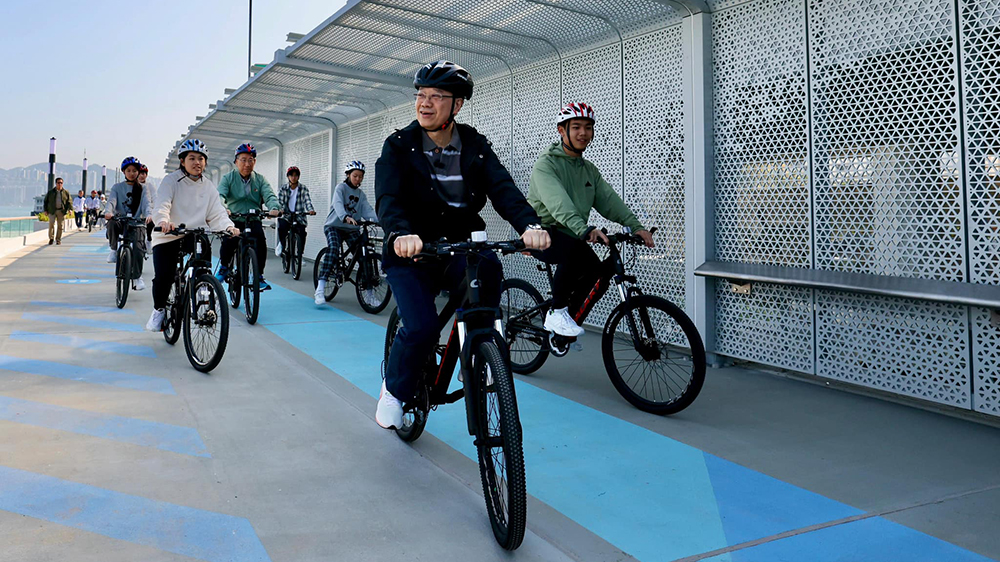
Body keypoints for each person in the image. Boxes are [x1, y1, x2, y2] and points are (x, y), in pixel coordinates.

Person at [373, 60, 550, 429]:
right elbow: (389, 198)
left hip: (460, 247)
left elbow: (503, 189)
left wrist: (529, 225)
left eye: (436, 96)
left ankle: (480, 353)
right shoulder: (398, 146)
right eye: (421, 94)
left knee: (488, 267)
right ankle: (394, 390)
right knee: (421, 328)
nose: (425, 103)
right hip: (412, 250)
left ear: (457, 105)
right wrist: (401, 233)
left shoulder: (474, 145)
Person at [527, 102, 655, 337]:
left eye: (588, 127)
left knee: (599, 274)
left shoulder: (589, 170)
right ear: (562, 131)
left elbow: (609, 201)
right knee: (572, 251)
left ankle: (567, 324)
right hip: (541, 233)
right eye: (576, 127)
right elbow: (558, 203)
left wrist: (635, 226)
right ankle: (557, 312)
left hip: (572, 232)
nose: (583, 133)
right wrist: (584, 229)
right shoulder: (546, 165)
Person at [146, 139, 239, 332]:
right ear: (182, 161)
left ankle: (203, 288)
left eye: (201, 159)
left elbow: (217, 213)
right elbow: (162, 205)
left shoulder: (208, 186)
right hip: (169, 234)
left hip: (194, 234)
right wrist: (163, 221)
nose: (197, 162)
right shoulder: (171, 181)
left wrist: (229, 227)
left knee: (203, 254)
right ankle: (159, 310)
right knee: (164, 276)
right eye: (192, 158)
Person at [216, 143, 280, 290]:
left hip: (253, 219)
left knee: (261, 243)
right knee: (228, 241)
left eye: (250, 160)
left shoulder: (260, 179)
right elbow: (219, 195)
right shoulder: (228, 178)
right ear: (236, 161)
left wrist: (274, 208)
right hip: (234, 219)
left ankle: (259, 276)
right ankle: (224, 267)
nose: (247, 164)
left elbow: (269, 195)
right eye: (243, 160)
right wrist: (223, 208)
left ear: (254, 162)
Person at [315, 161, 376, 305]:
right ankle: (320, 289)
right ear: (348, 175)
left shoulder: (361, 194)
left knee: (364, 256)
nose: (358, 179)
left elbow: (367, 210)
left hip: (351, 229)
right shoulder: (340, 188)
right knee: (333, 249)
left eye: (360, 177)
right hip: (334, 226)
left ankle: (369, 294)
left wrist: (382, 221)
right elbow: (337, 204)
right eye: (355, 176)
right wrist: (345, 216)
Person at [105, 156, 153, 291]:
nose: (132, 173)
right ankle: (113, 249)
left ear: (138, 172)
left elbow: (147, 204)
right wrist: (108, 212)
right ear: (124, 172)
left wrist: (149, 214)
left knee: (138, 248)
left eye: (134, 171)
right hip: (120, 221)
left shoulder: (143, 189)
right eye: (129, 170)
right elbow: (111, 202)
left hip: (137, 223)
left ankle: (137, 277)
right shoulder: (117, 187)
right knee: (111, 223)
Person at [275, 165, 316, 263]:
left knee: (302, 232)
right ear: (288, 177)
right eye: (291, 175)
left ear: (298, 177)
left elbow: (307, 201)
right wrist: (280, 210)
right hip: (286, 215)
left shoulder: (303, 188)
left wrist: (310, 210)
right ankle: (282, 244)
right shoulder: (283, 188)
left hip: (299, 216)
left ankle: (299, 255)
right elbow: (280, 202)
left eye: (296, 175)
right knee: (282, 226)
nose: (293, 177)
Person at [43, 178, 71, 245]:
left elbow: (69, 201)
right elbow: (46, 201)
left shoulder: (66, 192)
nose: (60, 184)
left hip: (61, 211)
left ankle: (58, 239)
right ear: (56, 183)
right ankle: (51, 238)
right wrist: (45, 210)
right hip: (52, 210)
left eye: (61, 183)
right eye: (58, 183)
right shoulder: (51, 192)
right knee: (51, 224)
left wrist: (70, 209)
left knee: (60, 225)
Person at [138, 164, 156, 244]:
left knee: (150, 224)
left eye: (143, 173)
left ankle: (149, 239)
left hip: (147, 212)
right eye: (139, 173)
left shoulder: (150, 186)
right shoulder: (132, 185)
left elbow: (155, 199)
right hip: (135, 214)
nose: (141, 176)